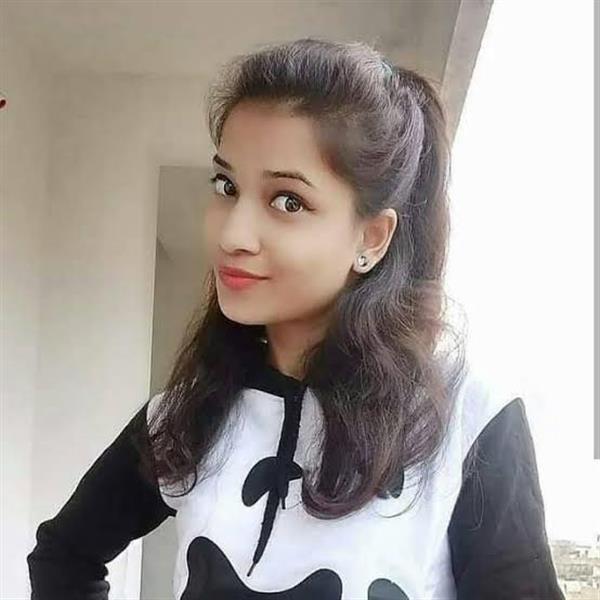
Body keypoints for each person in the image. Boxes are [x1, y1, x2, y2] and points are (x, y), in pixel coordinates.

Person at [27, 38, 565, 599]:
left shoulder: (466, 420)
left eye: (288, 201)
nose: (233, 235)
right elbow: (64, 555)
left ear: (371, 237)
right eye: (227, 186)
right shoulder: (188, 414)